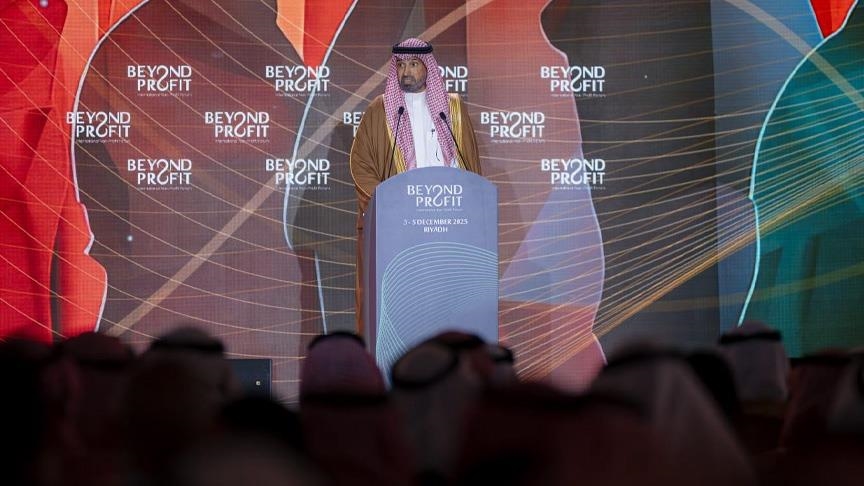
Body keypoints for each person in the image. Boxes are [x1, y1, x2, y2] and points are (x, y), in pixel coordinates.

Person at [350, 38, 482, 333]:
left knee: (443, 304)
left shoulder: (453, 109)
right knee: (402, 310)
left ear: (428, 68)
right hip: (399, 224)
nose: (406, 72)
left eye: (413, 64)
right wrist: (387, 203)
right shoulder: (380, 110)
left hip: (446, 221)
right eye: (400, 65)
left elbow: (469, 162)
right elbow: (361, 165)